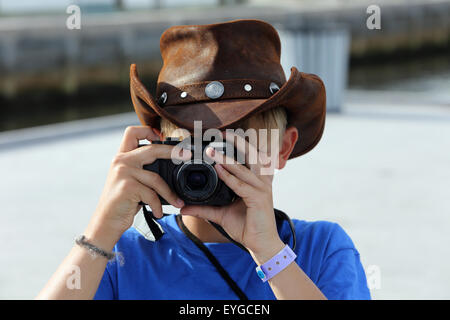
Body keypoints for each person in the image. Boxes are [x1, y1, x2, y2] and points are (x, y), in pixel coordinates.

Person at [36, 19, 370, 300]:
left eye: (234, 145)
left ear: (283, 148)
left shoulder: (321, 249)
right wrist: (101, 231)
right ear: (157, 149)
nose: (214, 164)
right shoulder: (120, 258)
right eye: (193, 145)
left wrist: (270, 252)